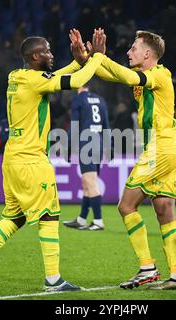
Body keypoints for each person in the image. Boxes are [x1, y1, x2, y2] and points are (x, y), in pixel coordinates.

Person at [0, 29, 107, 292]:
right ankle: (53, 280)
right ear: (36, 55)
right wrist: (96, 58)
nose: (51, 54)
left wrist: (78, 62)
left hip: (12, 158)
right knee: (49, 215)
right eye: (47, 51)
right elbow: (74, 83)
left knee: (14, 217)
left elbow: (56, 77)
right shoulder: (35, 81)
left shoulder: (17, 76)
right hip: (31, 161)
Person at [70, 28, 176, 290]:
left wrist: (100, 56)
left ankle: (147, 267)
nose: (128, 52)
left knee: (126, 206)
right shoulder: (144, 77)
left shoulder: (159, 74)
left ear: (148, 53)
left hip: (161, 148)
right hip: (167, 147)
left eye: (133, 48)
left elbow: (122, 74)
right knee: (164, 210)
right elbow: (111, 74)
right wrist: (89, 59)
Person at [63, 83, 110, 231]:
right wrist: (109, 147)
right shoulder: (100, 99)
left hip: (87, 145)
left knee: (90, 182)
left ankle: (98, 221)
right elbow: (106, 125)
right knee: (87, 183)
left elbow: (75, 126)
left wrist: (68, 147)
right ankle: (82, 219)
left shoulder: (78, 100)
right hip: (98, 143)